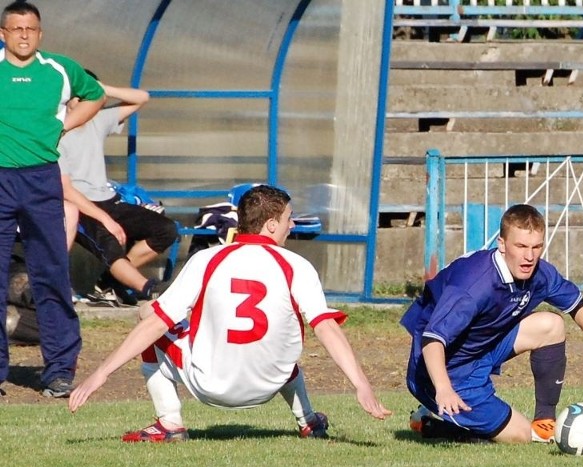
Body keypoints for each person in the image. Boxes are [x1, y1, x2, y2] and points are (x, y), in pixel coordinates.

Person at [69, 185, 391, 441]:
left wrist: (102, 372)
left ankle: (170, 423)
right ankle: (308, 421)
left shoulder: (207, 259)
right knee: (283, 336)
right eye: (289, 218)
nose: (292, 225)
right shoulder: (297, 266)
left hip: (211, 387)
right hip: (269, 382)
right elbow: (327, 329)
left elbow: (156, 323)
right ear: (271, 224)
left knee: (149, 316)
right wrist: (360, 384)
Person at [401, 204, 583, 444]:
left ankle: (545, 424)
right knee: (519, 436)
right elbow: (432, 339)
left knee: (551, 325)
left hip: (483, 348)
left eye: (536, 247)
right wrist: (444, 388)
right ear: (502, 244)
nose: (529, 257)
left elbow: (577, 303)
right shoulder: (473, 287)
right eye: (520, 246)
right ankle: (433, 424)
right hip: (443, 371)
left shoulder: (539, 272)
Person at [0, 1, 105, 397]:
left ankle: (59, 370)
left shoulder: (60, 70)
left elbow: (93, 96)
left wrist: (64, 126)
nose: (24, 35)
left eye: (31, 28)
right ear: (3, 33)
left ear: (40, 34)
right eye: (16, 28)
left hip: (42, 178)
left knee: (52, 274)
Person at [58, 76, 178, 305]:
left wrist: (104, 88)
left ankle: (110, 282)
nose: (86, 100)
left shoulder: (98, 119)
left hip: (109, 200)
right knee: (110, 245)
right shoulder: (57, 132)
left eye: (90, 95)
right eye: (80, 94)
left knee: (165, 229)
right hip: (81, 206)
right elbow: (66, 190)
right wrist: (106, 220)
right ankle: (149, 290)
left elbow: (142, 98)